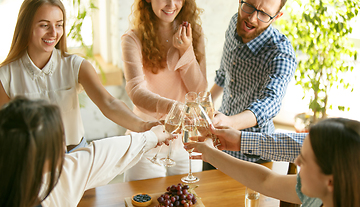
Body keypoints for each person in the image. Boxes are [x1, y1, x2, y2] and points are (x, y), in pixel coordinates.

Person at [0, 96, 172, 207]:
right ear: (39, 155)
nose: (65, 145)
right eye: (59, 139)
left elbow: (100, 155)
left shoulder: (57, 174)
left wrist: (151, 136)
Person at [0, 0, 159, 153]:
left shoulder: (76, 65)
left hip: (77, 155)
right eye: (44, 25)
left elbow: (108, 103)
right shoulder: (5, 76)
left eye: (59, 25)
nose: (53, 33)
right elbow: (7, 132)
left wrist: (143, 126)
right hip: (30, 160)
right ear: (26, 26)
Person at [186, 118, 360, 207]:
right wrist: (211, 154)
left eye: (304, 161)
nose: (297, 161)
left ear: (331, 181)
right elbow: (266, 181)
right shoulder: (319, 196)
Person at [121, 0, 207, 181]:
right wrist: (174, 108)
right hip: (147, 141)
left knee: (188, 201)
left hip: (187, 142)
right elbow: (136, 91)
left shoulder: (194, 33)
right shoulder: (132, 39)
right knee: (145, 203)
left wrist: (186, 50)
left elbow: (199, 91)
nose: (171, 4)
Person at [209, 0, 297, 163]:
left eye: (263, 13)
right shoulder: (235, 23)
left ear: (277, 16)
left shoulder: (281, 53)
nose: (252, 18)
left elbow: (270, 102)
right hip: (217, 143)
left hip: (252, 155)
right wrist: (203, 105)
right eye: (249, 5)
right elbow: (223, 74)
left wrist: (229, 122)